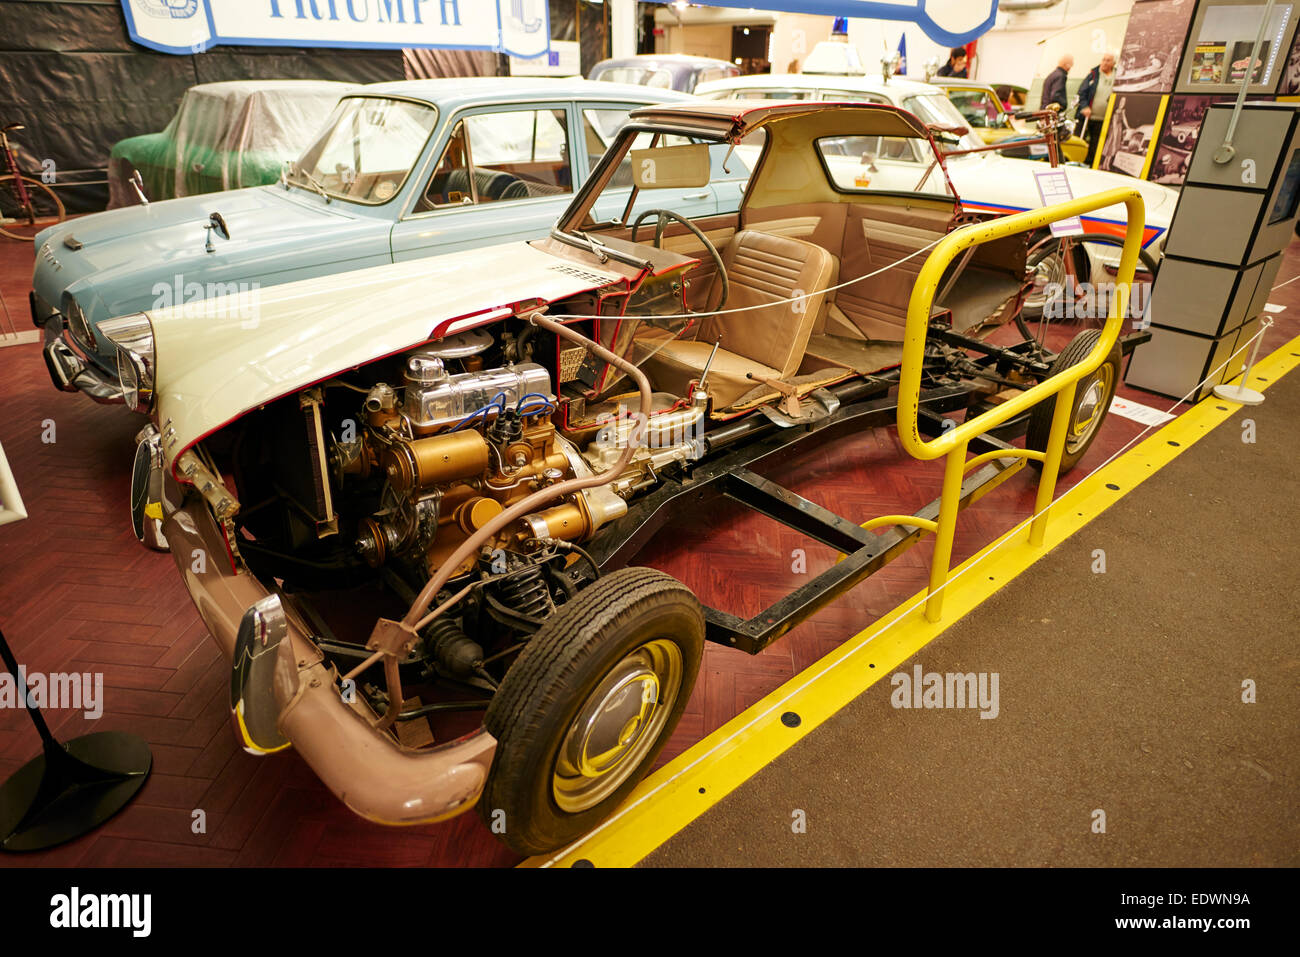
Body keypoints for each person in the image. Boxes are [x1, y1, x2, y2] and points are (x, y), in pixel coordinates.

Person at [1076, 52, 1116, 166]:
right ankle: (1078, 162)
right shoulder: (1093, 74)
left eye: (1108, 60)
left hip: (1104, 118)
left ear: (1113, 63)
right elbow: (1081, 93)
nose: (1104, 62)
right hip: (1087, 117)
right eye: (1103, 59)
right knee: (1080, 140)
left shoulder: (1117, 75)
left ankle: (1090, 164)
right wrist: (1084, 107)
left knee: (1096, 144)